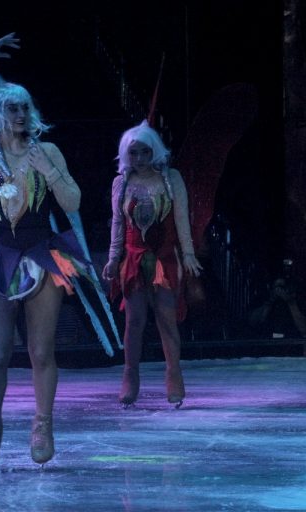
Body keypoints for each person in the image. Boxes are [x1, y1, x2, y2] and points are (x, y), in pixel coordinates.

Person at [0, 33, 87, 466]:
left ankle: (42, 425)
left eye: (25, 107)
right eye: (12, 107)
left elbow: (73, 203)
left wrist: (50, 169)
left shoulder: (48, 150)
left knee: (41, 351)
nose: (21, 114)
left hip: (42, 254)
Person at [102, 120, 202, 408]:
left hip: (164, 258)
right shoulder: (121, 183)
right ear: (126, 154)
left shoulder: (171, 178)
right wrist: (113, 258)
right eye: (134, 153)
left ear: (155, 151)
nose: (140, 158)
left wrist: (189, 254)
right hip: (133, 259)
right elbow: (117, 224)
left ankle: (174, 374)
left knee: (166, 318)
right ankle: (130, 374)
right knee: (134, 320)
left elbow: (182, 218)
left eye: (145, 152)